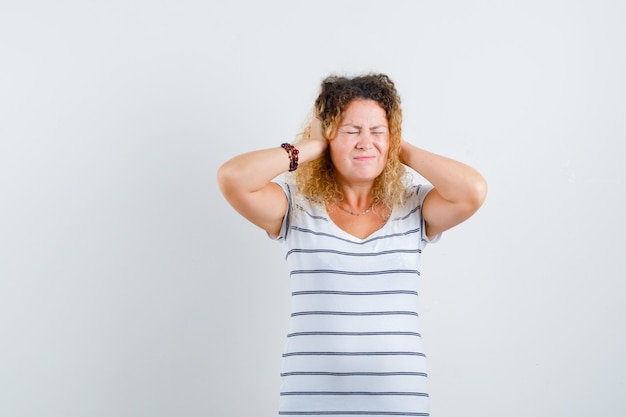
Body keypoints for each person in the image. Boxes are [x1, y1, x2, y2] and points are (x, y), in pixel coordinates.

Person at [217, 73, 487, 416]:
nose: (365, 142)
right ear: (329, 136)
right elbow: (233, 178)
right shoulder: (296, 206)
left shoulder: (415, 206)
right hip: (310, 401)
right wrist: (312, 147)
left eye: (377, 131)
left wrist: (396, 145)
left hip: (399, 401)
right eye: (350, 131)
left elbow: (473, 191)